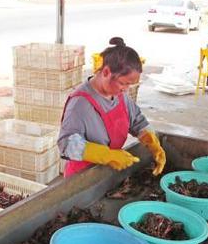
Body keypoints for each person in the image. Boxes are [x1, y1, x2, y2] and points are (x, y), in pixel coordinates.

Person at [58, 37, 165, 177]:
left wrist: (152, 142)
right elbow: (66, 144)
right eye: (123, 83)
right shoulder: (80, 104)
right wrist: (106, 155)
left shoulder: (119, 95)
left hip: (107, 172)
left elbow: (137, 121)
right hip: (82, 177)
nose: (126, 89)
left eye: (129, 85)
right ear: (106, 72)